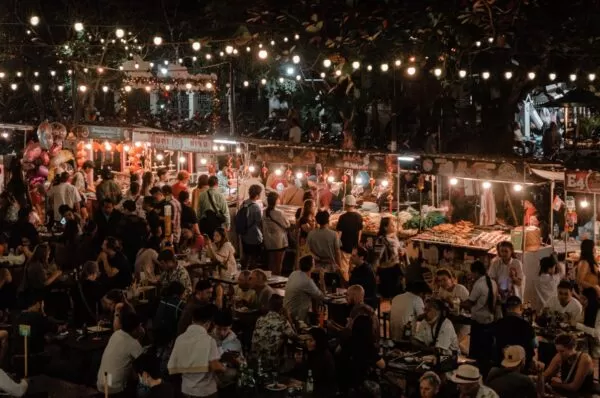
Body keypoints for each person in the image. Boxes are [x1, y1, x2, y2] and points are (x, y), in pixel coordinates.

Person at [168, 304, 224, 398]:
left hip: (186, 390)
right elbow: (216, 366)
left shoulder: (180, 339)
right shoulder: (209, 341)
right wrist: (224, 368)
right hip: (205, 392)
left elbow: (174, 365)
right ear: (208, 323)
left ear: (192, 320)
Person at [96, 309, 143, 396]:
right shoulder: (133, 343)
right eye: (140, 326)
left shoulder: (115, 335)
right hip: (115, 389)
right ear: (135, 329)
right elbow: (142, 366)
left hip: (101, 384)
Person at [461, 260, 498, 370]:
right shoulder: (493, 282)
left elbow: (470, 303)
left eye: (472, 273)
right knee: (486, 352)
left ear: (476, 272)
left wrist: (458, 303)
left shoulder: (479, 284)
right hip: (490, 322)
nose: (471, 275)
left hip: (479, 323)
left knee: (476, 354)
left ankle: (474, 372)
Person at [338, 315, 385, 395]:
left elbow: (338, 353)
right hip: (362, 387)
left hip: (346, 384)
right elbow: (382, 365)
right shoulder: (368, 345)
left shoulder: (347, 341)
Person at [251, 295, 296, 369]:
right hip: (271, 362)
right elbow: (294, 336)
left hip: (255, 359)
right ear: (281, 308)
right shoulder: (283, 322)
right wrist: (289, 317)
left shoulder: (260, 319)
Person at [493, 296, 537, 369]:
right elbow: (534, 345)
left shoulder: (498, 324)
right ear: (520, 308)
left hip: (502, 364)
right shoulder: (527, 326)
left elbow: (494, 346)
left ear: (506, 309)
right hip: (522, 368)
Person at [293, 327, 335, 393]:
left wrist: (300, 364)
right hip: (313, 387)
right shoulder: (314, 352)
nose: (307, 342)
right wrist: (299, 362)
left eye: (311, 340)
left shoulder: (324, 357)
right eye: (307, 339)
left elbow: (312, 377)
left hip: (321, 391)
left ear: (319, 341)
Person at [284, 255, 324, 323]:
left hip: (287, 312)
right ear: (311, 266)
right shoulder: (307, 281)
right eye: (314, 263)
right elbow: (321, 296)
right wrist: (322, 279)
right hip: (298, 316)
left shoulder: (293, 273)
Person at [307, 210, 342, 285]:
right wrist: (339, 266)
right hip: (330, 268)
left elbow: (307, 250)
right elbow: (337, 252)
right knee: (330, 289)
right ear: (328, 220)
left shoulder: (311, 234)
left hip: (315, 268)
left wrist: (317, 258)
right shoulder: (334, 234)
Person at [336, 195, 363, 282]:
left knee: (344, 268)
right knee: (353, 268)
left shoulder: (342, 217)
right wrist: (357, 244)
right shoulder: (359, 217)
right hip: (354, 247)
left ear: (346, 205)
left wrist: (336, 246)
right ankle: (354, 284)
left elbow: (339, 234)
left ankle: (346, 286)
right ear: (354, 205)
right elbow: (359, 232)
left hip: (344, 247)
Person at [375, 217, 404, 298]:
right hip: (386, 271)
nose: (394, 225)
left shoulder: (394, 237)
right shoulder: (380, 240)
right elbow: (377, 257)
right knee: (388, 295)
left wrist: (401, 252)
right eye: (391, 224)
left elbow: (397, 250)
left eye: (394, 223)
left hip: (395, 268)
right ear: (385, 227)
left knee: (396, 294)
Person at [263, 191, 290, 275]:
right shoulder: (279, 213)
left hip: (269, 241)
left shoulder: (264, 212)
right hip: (279, 242)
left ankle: (270, 279)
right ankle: (278, 281)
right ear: (276, 201)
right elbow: (287, 225)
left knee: (271, 263)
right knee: (278, 264)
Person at [238, 184, 263, 269]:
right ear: (257, 195)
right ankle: (253, 274)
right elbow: (259, 222)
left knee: (246, 256)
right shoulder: (256, 207)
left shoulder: (244, 203)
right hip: (254, 236)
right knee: (254, 258)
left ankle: (244, 272)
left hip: (244, 234)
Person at [153, 281, 186, 347]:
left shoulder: (163, 300)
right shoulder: (179, 304)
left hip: (157, 333)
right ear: (179, 293)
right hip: (170, 337)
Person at [73, 261, 103, 327]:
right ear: (94, 273)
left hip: (78, 319)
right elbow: (99, 303)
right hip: (92, 320)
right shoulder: (97, 286)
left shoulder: (76, 285)